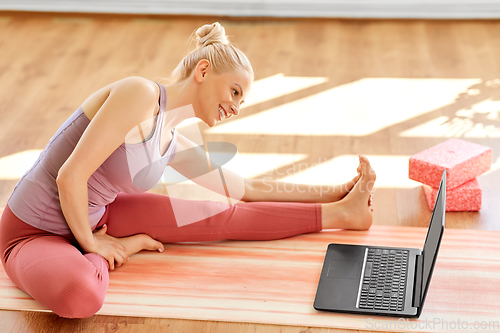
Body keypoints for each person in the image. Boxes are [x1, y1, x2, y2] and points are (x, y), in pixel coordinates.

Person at [0, 22, 376, 319]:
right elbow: (70, 177)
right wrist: (94, 245)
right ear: (203, 69)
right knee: (81, 295)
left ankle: (342, 214)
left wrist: (337, 190)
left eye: (241, 100)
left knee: (218, 213)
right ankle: (110, 253)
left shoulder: (172, 138)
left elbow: (240, 188)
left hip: (97, 215)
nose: (236, 107)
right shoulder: (140, 94)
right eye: (234, 92)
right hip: (34, 233)